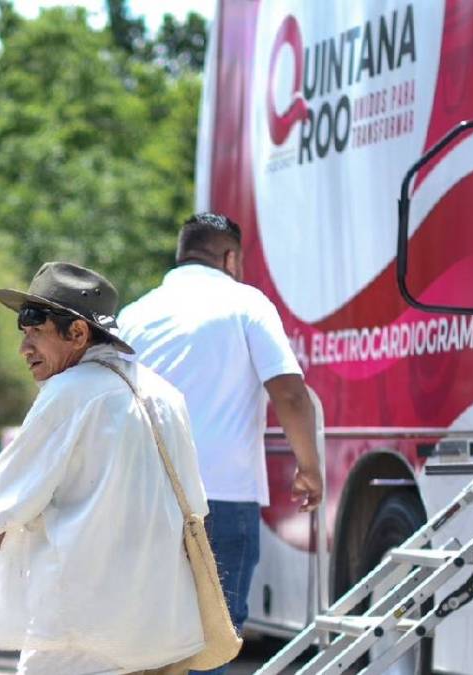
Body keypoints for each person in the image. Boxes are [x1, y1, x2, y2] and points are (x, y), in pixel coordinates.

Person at [0, 262, 210, 674]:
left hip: (81, 635)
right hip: (159, 632)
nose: (24, 348)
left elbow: (3, 497)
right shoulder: (167, 396)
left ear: (79, 333)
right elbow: (195, 507)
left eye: (35, 331)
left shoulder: (69, 391)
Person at [118, 212, 323, 674]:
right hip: (222, 499)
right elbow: (289, 392)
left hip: (144, 500)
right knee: (215, 641)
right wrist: (310, 466)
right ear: (230, 257)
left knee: (148, 640)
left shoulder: (135, 314)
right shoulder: (246, 303)